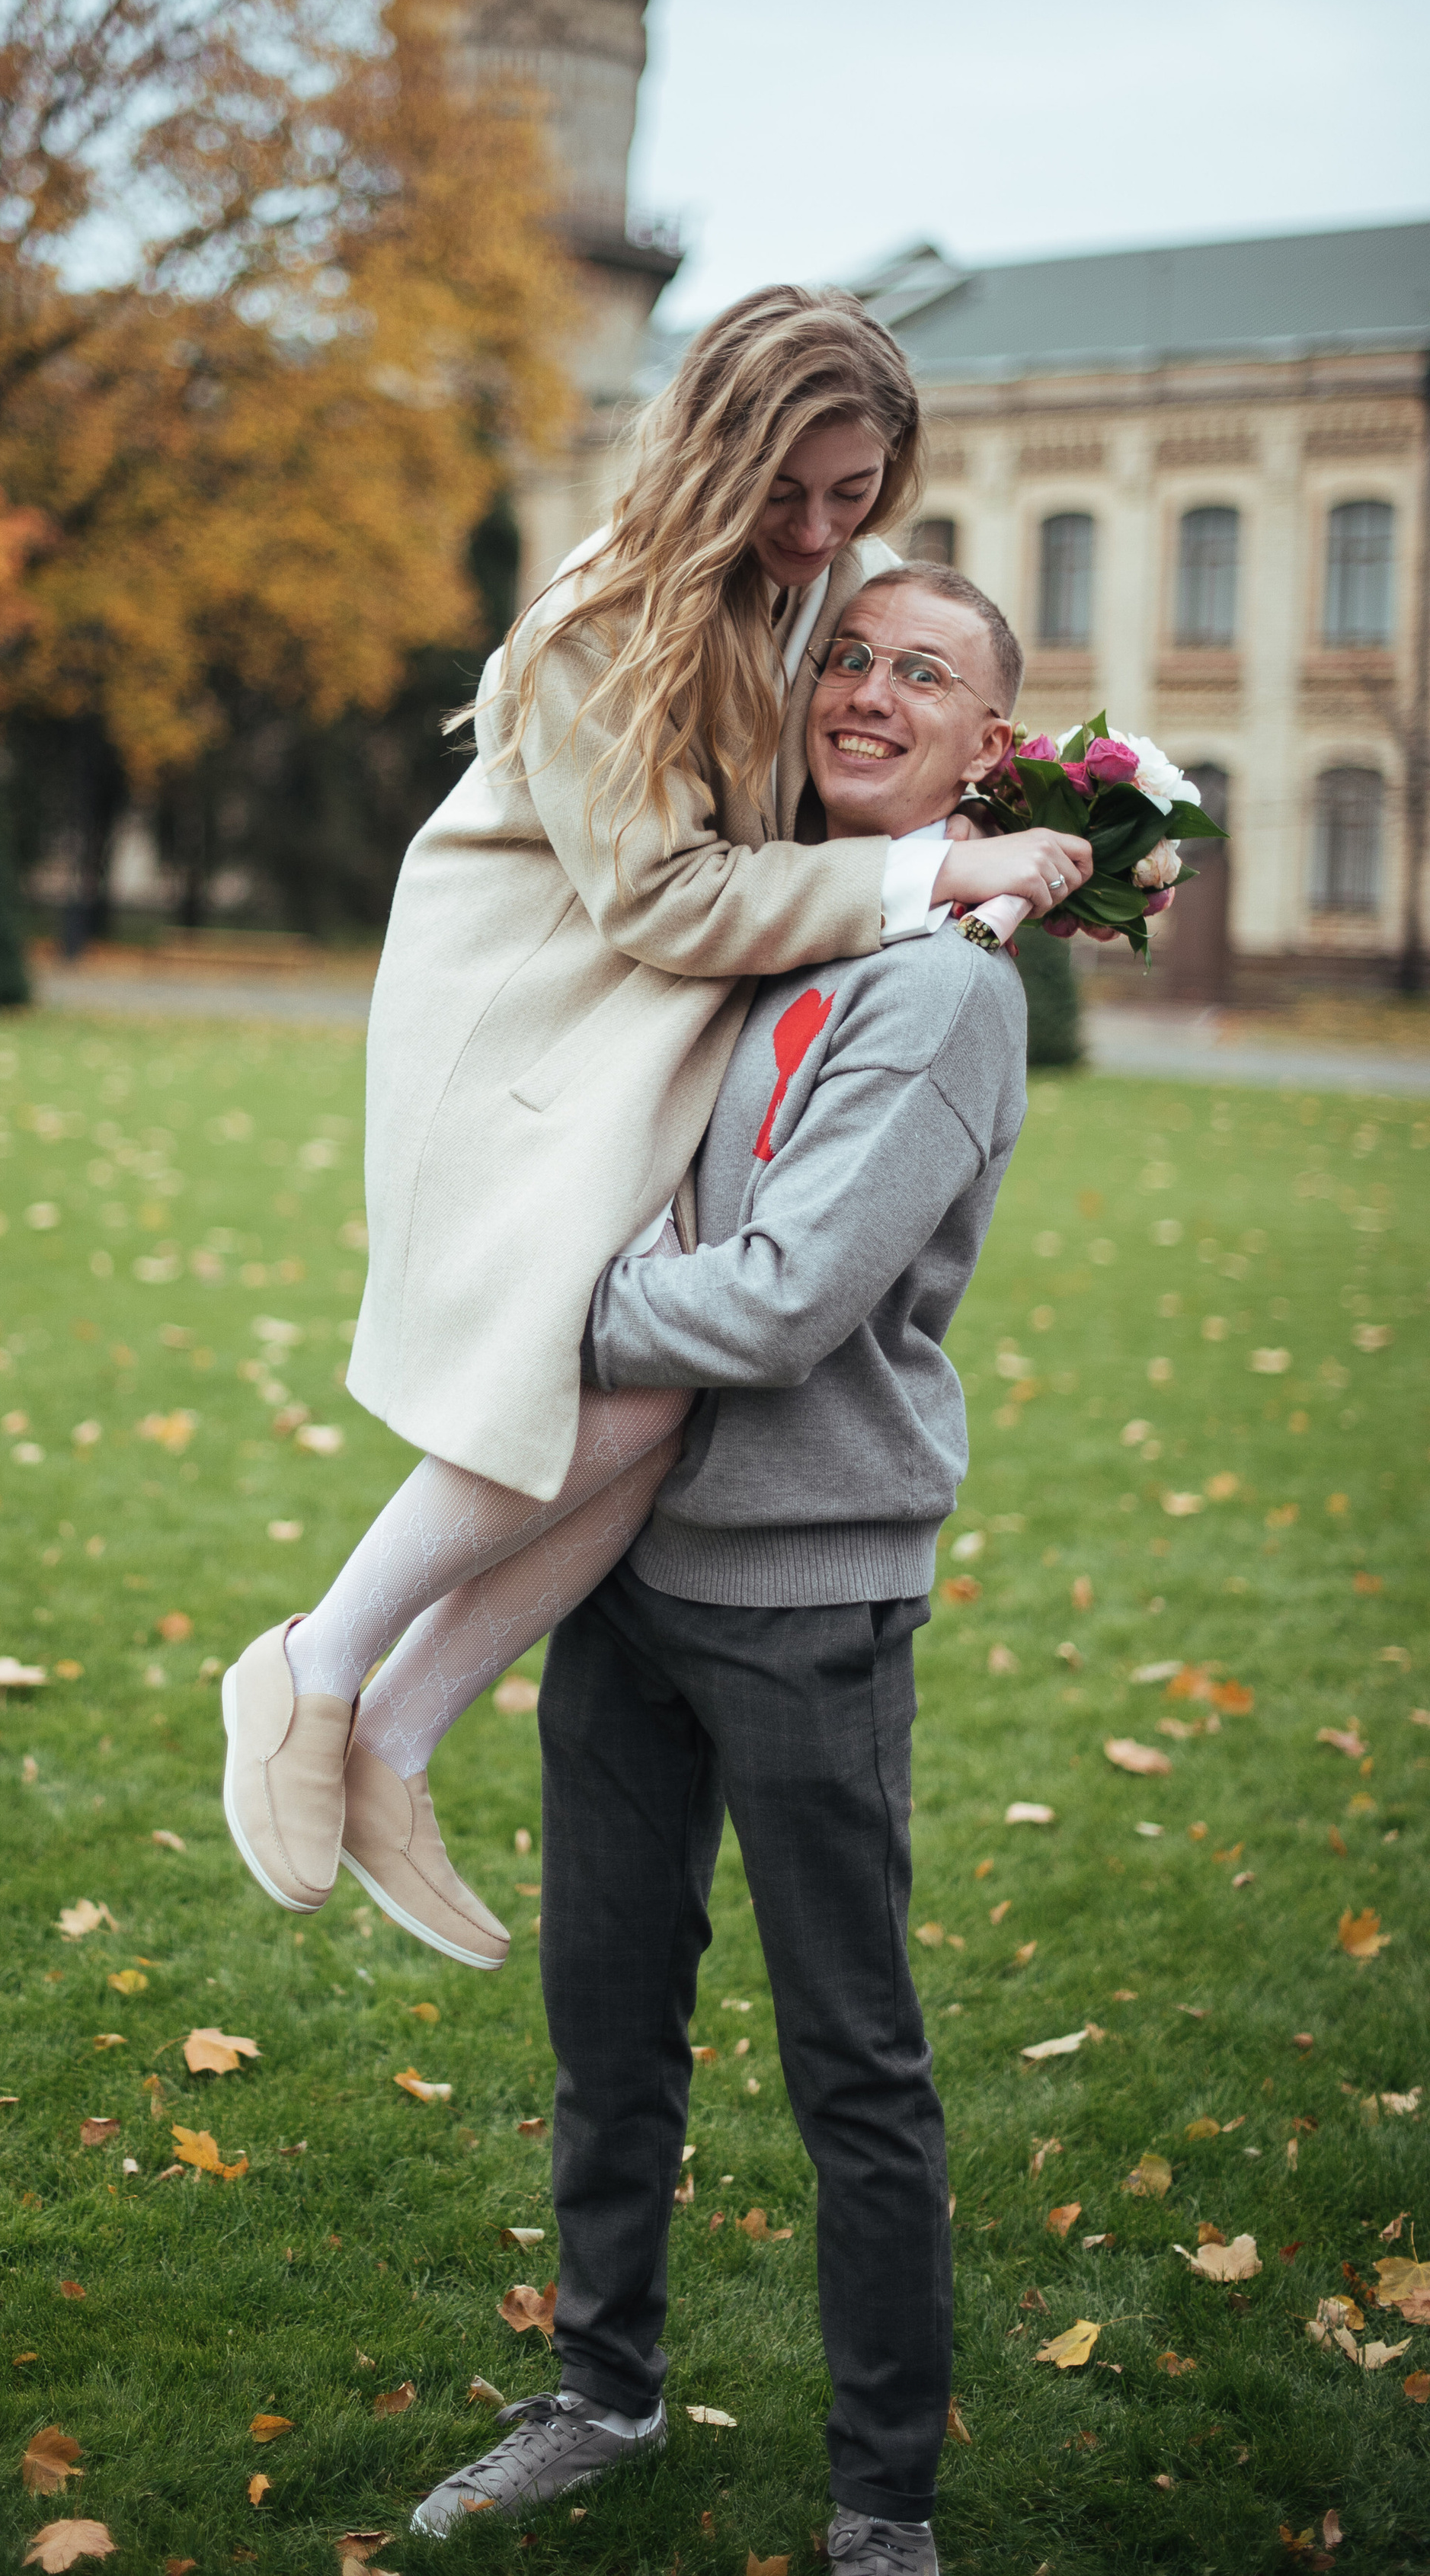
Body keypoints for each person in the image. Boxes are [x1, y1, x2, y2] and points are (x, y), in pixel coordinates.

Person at [219, 291, 1091, 1971]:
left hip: (664, 1027)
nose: (824, 535)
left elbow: (904, 720)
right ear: (715, 451)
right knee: (610, 1391)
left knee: (657, 1415)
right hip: (536, 1027)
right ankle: (313, 1668)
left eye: (856, 496)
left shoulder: (822, 590)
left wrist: (1068, 832)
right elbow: (661, 892)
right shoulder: (595, 625)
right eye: (794, 493)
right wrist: (929, 874)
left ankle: (394, 1744)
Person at [405, 562, 1034, 2576]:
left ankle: (881, 2507)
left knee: (854, 2057)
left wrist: (528, 1316)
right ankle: (601, 2386)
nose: (864, 692)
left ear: (985, 748)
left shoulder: (940, 990)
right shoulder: (755, 903)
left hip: (810, 1595)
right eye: (847, 655)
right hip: (625, 1570)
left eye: (920, 675)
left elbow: (774, 1306)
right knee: (609, 2019)